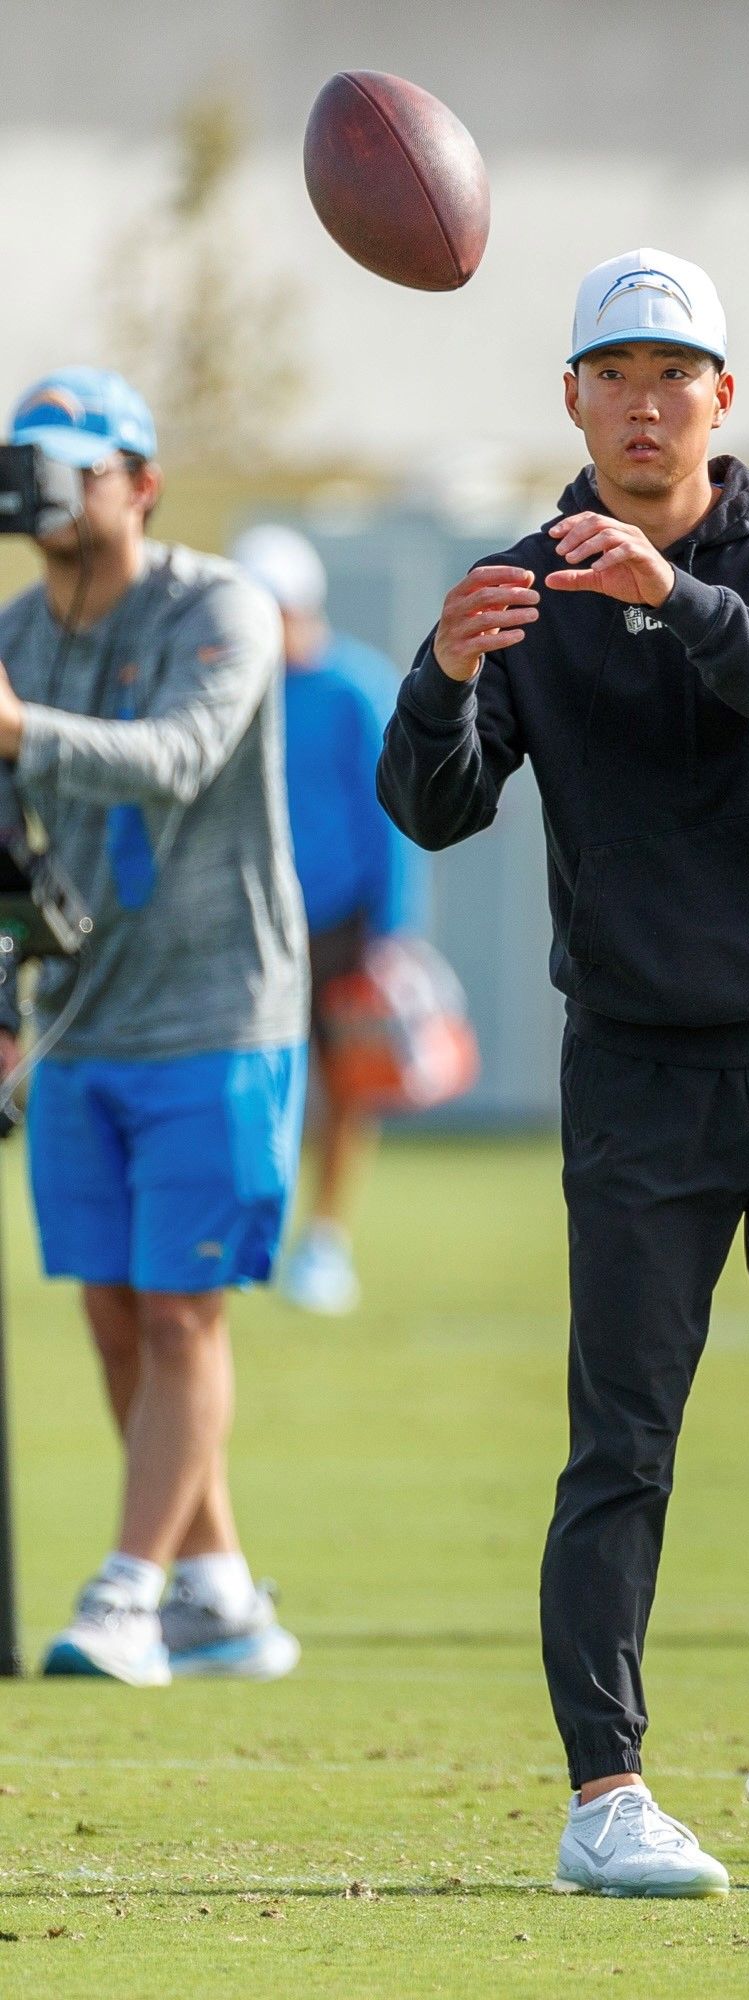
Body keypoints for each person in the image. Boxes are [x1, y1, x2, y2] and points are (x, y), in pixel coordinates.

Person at [378, 250, 749, 1897]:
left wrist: (674, 600)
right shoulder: (519, 583)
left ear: (720, 402)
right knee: (622, 1433)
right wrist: (446, 675)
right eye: (613, 371)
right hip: (636, 1071)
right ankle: (604, 1792)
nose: (644, 398)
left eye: (675, 371)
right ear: (573, 400)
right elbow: (434, 806)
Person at [0, 369, 307, 1681]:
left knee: (183, 1316)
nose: (47, 489)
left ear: (142, 479)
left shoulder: (216, 604)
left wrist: (22, 730)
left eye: (74, 464)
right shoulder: (21, 628)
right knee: (118, 1313)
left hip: (216, 1011)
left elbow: (182, 755)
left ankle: (127, 1594)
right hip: (76, 1025)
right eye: (29, 465)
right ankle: (219, 1591)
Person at [230, 523, 427, 1315]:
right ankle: (259, 1234)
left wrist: (394, 928)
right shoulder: (236, 687)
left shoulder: (356, 685)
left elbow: (393, 812)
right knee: (253, 1084)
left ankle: (325, 1243)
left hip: (342, 922)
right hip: (248, 921)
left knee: (346, 1089)